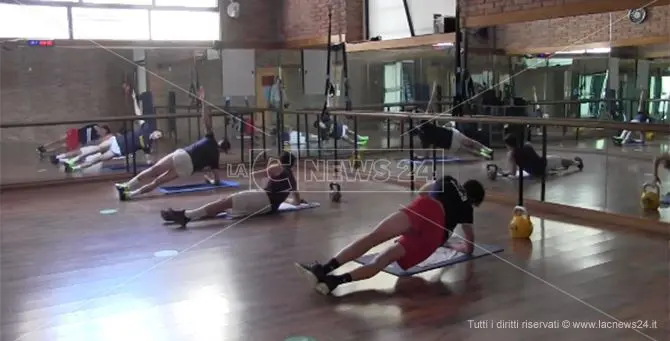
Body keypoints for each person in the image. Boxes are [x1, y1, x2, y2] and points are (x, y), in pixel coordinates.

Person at [295, 176, 485, 295]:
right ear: (475, 200)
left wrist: (409, 224)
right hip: (434, 236)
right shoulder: (467, 209)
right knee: (382, 260)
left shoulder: (449, 181)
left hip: (428, 208)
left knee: (373, 237)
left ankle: (324, 269)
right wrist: (457, 246)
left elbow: (422, 192)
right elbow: (470, 244)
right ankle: (334, 282)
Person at [114, 94, 221, 201]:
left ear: (220, 142)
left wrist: (203, 102)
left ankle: (127, 186)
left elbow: (205, 120)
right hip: (187, 170)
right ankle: (130, 195)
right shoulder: (216, 157)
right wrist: (209, 180)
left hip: (183, 156)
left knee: (153, 170)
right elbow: (217, 181)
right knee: (157, 182)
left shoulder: (210, 139)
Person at [161, 151, 302, 228]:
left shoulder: (277, 168)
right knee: (224, 206)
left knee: (224, 202)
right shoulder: (292, 180)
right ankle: (188, 215)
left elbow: (254, 175)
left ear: (280, 161)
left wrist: (268, 178)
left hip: (263, 198)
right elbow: (296, 201)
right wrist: (286, 198)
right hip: (269, 208)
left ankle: (185, 215)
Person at [62, 122, 163, 173]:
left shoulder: (148, 145)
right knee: (97, 148)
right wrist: (134, 99)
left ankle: (75, 168)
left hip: (119, 151)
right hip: (116, 141)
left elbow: (148, 159)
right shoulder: (146, 128)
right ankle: (73, 160)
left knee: (97, 159)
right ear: (155, 131)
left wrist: (154, 164)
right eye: (157, 134)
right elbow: (139, 114)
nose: (157, 136)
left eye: (159, 137)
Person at [503, 134, 583, 178]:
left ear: (508, 145)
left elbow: (513, 173)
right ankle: (577, 163)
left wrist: (507, 173)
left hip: (534, 172)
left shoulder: (511, 154)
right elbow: (535, 158)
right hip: (542, 165)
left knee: (552, 160)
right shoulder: (527, 145)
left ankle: (566, 166)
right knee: (558, 159)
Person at [414, 120, 493, 160]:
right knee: (472, 143)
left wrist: (419, 157)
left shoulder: (423, 139)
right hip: (451, 134)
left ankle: (486, 155)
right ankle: (487, 151)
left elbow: (426, 156)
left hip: (450, 143)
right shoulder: (424, 124)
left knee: (469, 150)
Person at [49, 126, 113, 165]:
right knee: (77, 154)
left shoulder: (105, 137)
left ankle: (59, 159)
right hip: (91, 147)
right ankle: (58, 157)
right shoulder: (98, 132)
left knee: (80, 157)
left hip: (95, 149)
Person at [37, 124, 110, 157]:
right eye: (104, 132)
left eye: (105, 133)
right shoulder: (95, 126)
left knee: (61, 146)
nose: (103, 134)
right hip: (75, 133)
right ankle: (44, 146)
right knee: (59, 140)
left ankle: (45, 151)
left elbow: (86, 142)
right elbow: (92, 128)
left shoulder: (96, 137)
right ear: (103, 129)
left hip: (77, 141)